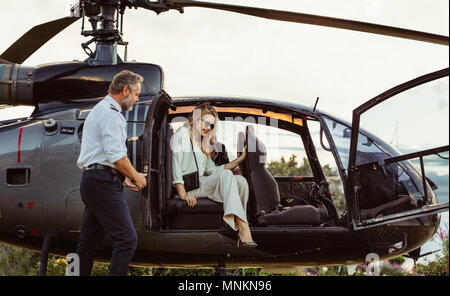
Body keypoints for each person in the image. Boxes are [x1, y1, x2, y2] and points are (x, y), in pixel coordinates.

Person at [76, 70, 147, 276]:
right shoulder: (111, 114)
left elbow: (105, 155)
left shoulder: (100, 109)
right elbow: (116, 156)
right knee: (127, 239)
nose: (137, 98)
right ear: (125, 90)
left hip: (94, 180)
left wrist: (123, 177)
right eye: (135, 94)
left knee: (88, 242)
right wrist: (136, 176)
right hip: (102, 183)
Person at [171, 103, 257, 248]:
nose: (208, 128)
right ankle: (243, 226)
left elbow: (213, 170)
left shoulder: (202, 142)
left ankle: (236, 225)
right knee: (226, 175)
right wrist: (183, 195)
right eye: (205, 123)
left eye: (211, 126)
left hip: (202, 183)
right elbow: (176, 168)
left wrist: (240, 160)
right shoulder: (182, 135)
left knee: (240, 181)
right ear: (196, 120)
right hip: (189, 188)